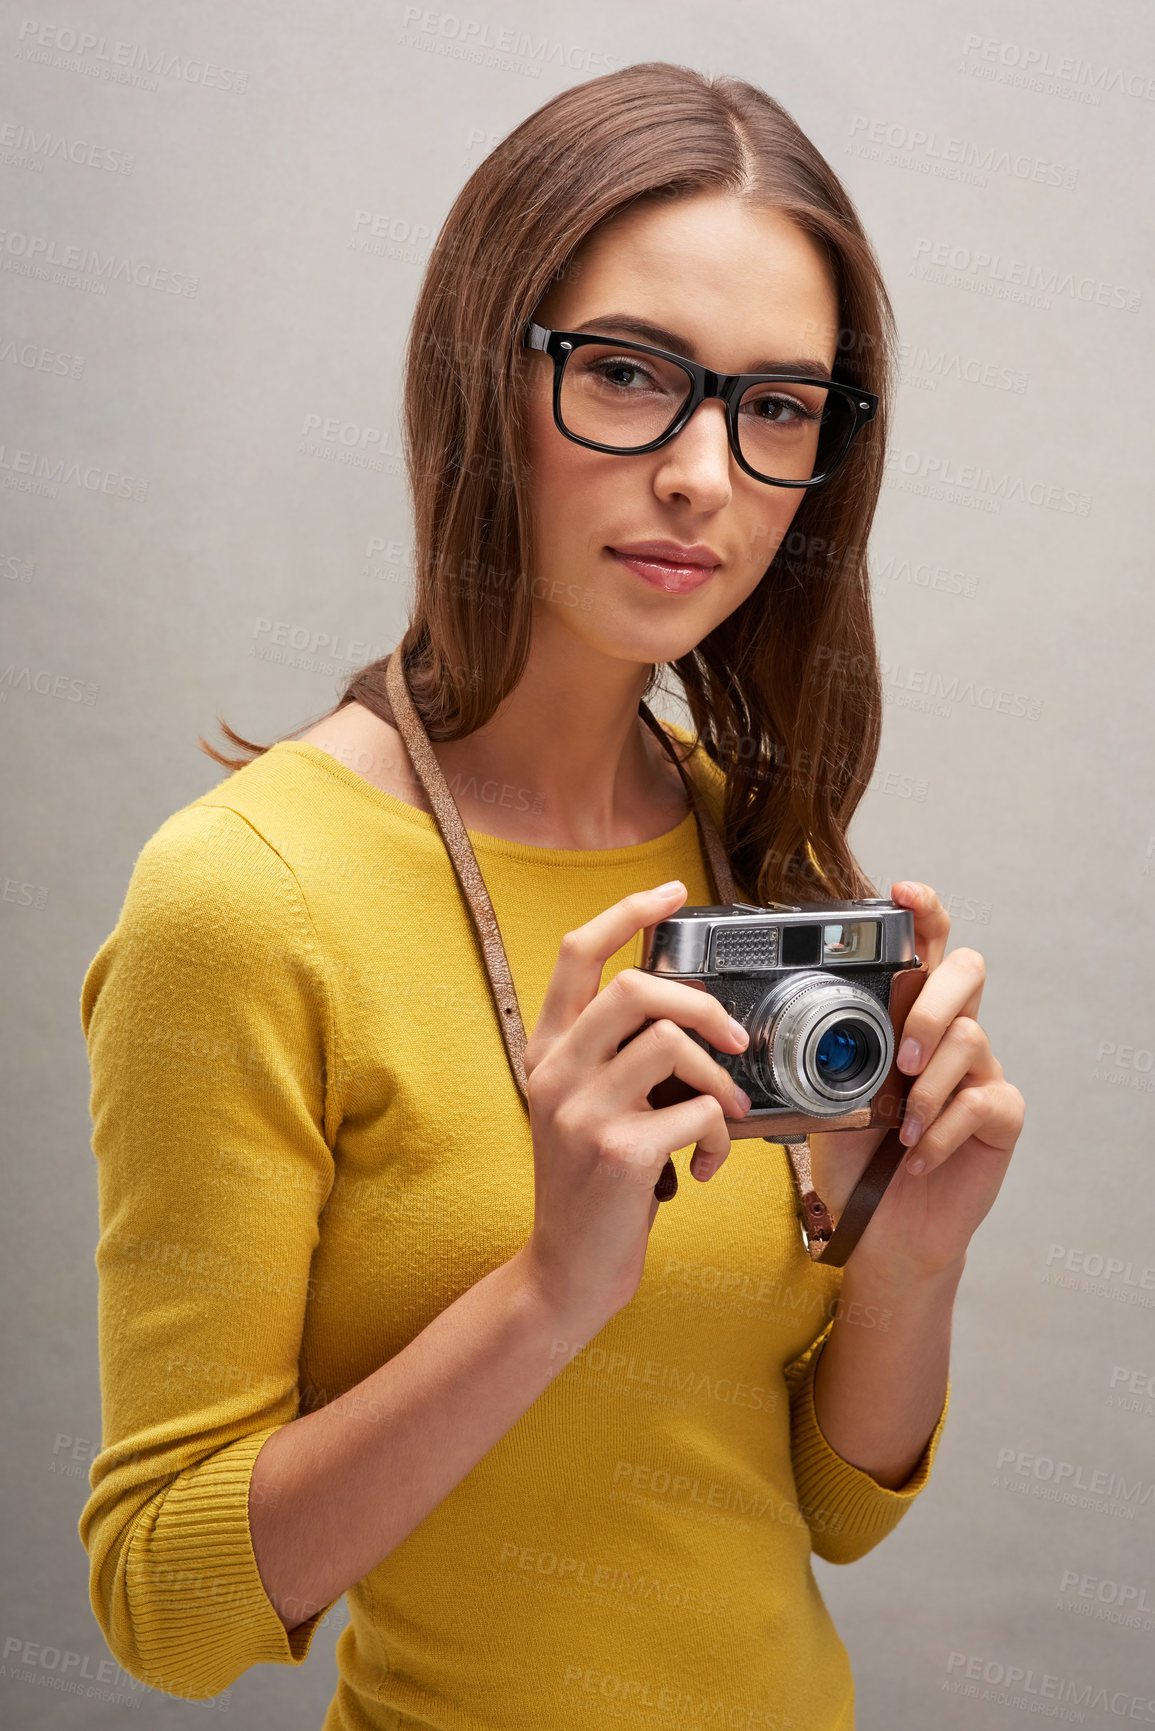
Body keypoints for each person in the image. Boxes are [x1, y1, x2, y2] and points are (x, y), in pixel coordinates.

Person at [78, 61, 1025, 1731]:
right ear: (480, 376)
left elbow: (831, 1510)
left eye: (779, 406)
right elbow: (166, 1607)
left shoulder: (762, 858)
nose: (702, 476)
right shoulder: (246, 896)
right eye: (629, 375)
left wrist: (911, 1260)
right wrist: (548, 1290)